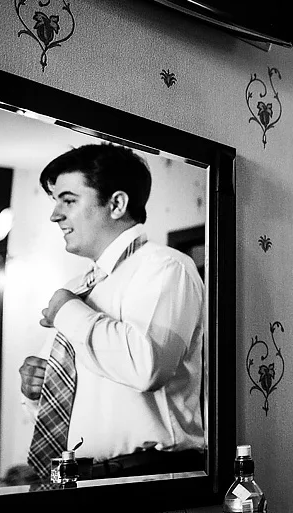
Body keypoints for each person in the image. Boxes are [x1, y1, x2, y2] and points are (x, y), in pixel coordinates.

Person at [18, 143, 205, 480]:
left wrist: (67, 310)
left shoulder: (166, 268)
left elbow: (147, 367)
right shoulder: (78, 287)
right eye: (55, 201)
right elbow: (76, 400)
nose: (55, 215)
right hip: (80, 478)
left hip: (148, 479)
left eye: (69, 201)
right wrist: (38, 388)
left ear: (117, 204)